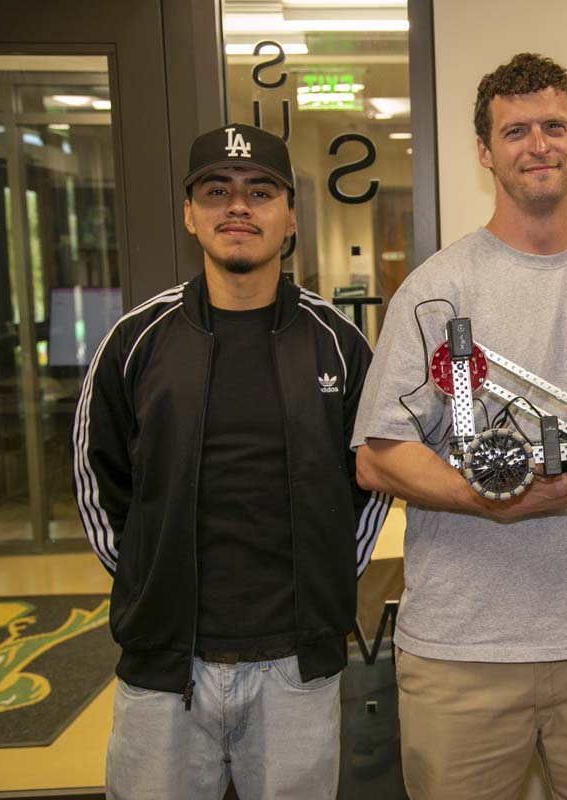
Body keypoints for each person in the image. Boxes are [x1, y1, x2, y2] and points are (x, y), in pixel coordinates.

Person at [351, 52, 567, 800]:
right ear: (485, 152)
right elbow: (377, 455)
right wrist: (489, 496)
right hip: (464, 651)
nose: (538, 144)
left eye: (554, 126)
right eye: (516, 130)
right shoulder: (438, 290)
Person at [74, 123, 390, 799]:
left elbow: (372, 484)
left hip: (296, 670)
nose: (238, 207)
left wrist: (327, 579)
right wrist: (149, 582)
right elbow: (100, 489)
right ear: (190, 215)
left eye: (260, 192)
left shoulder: (338, 345)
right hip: (166, 670)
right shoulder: (136, 342)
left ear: (290, 218)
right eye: (216, 191)